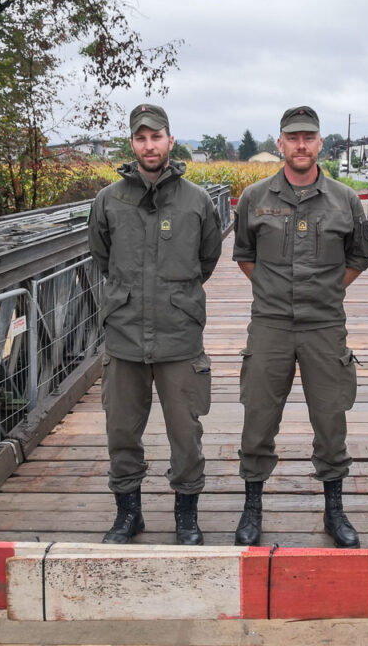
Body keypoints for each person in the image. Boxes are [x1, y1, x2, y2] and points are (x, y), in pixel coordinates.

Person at [232, 105, 368, 548]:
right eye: (292, 137)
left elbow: (360, 255)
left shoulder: (344, 199)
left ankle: (335, 510)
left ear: (319, 143)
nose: (300, 145)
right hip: (271, 325)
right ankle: (251, 508)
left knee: (331, 420)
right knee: (258, 418)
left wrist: (328, 290)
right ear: (280, 143)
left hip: (324, 326)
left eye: (308, 137)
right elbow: (243, 255)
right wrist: (276, 292)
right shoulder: (256, 198)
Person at [87, 102, 222, 545]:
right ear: (133, 143)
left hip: (179, 335)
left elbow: (208, 258)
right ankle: (128, 514)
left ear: (170, 139)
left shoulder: (197, 201)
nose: (149, 145)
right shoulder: (109, 200)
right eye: (141, 138)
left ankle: (187, 515)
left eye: (156, 136)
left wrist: (173, 297)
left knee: (186, 432)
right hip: (124, 334)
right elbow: (102, 257)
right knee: (122, 430)